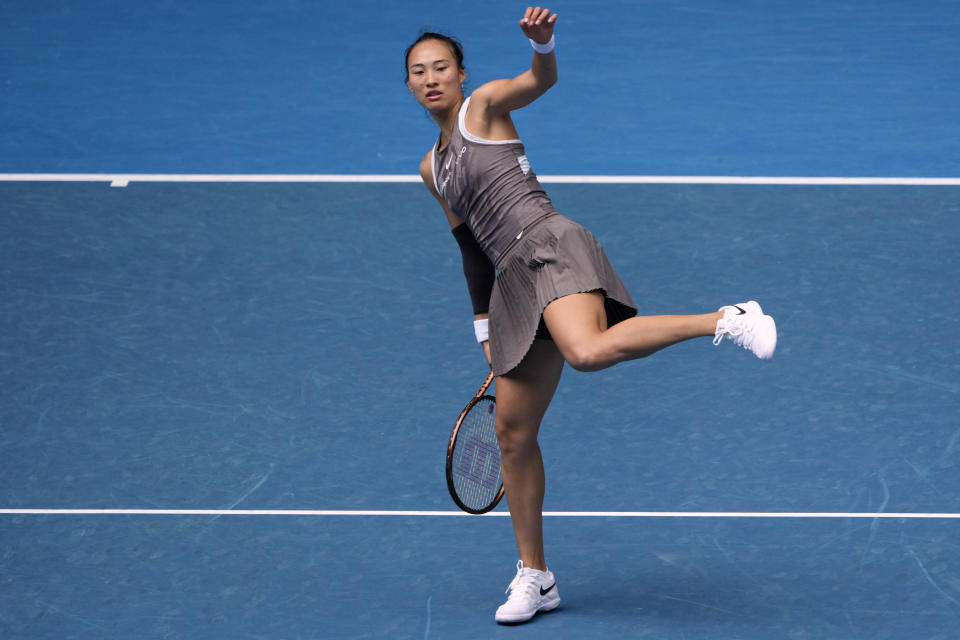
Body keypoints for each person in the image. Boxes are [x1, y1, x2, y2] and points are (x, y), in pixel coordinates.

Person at [405, 7, 777, 625]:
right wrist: (483, 326)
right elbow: (469, 249)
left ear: (462, 74)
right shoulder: (431, 168)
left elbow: (539, 82)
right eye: (419, 71)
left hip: (549, 242)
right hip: (511, 285)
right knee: (512, 435)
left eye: (441, 66)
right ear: (410, 85)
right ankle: (536, 577)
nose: (431, 77)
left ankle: (727, 318)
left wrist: (543, 45)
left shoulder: (486, 107)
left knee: (586, 350)